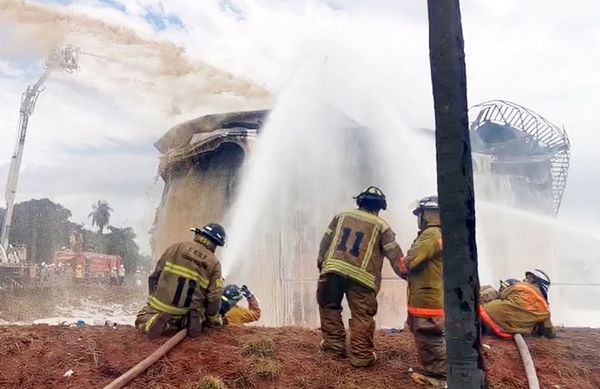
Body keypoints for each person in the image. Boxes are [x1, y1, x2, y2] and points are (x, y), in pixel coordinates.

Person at [317, 186, 404, 367]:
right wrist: (408, 274)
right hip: (362, 278)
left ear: (359, 202)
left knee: (329, 307)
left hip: (332, 270)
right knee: (362, 316)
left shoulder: (341, 216)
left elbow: (325, 242)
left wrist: (322, 264)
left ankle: (334, 346)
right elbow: (395, 255)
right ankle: (361, 356)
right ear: (379, 207)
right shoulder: (382, 227)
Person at [135, 223, 225, 339]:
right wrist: (213, 320)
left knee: (141, 317)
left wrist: (153, 299)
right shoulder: (215, 263)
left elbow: (154, 276)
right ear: (215, 244)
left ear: (200, 234)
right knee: (197, 314)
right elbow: (214, 297)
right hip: (188, 313)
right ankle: (185, 322)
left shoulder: (176, 247)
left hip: (161, 308)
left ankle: (152, 322)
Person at [398, 196, 446, 388]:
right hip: (433, 296)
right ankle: (439, 373)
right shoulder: (440, 233)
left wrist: (402, 263)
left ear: (428, 215)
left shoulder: (431, 234)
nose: (419, 218)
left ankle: (441, 378)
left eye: (420, 214)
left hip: (428, 300)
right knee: (431, 338)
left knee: (429, 338)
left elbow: (411, 260)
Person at [479, 269, 555, 339]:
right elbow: (550, 333)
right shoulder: (545, 310)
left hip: (486, 314)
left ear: (535, 282)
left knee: (489, 291)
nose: (524, 280)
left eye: (528, 278)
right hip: (506, 331)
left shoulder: (522, 287)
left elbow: (502, 295)